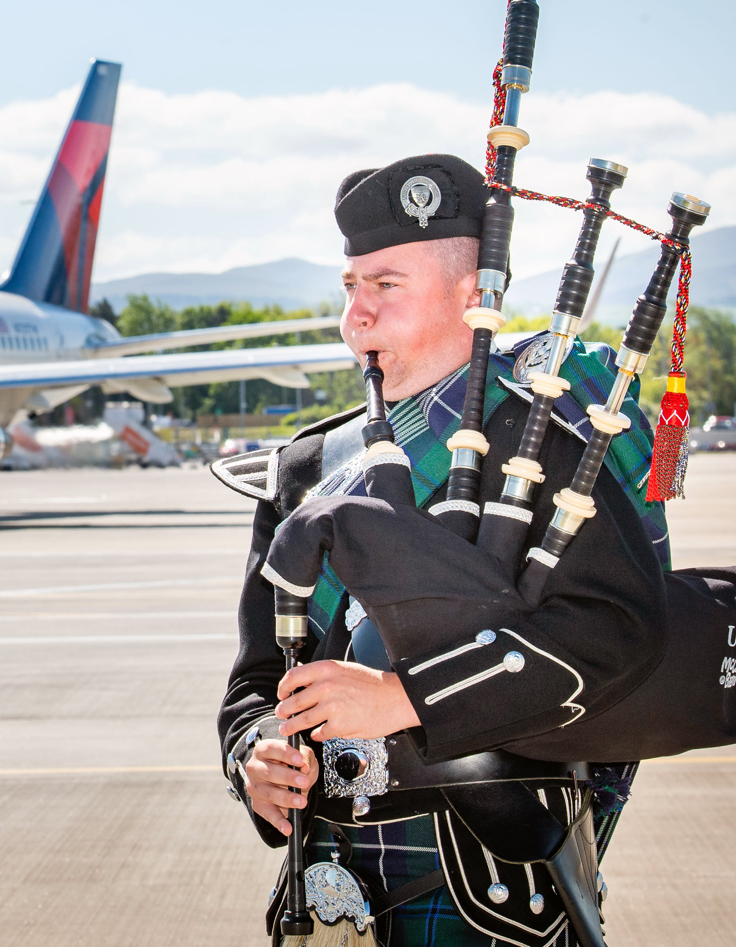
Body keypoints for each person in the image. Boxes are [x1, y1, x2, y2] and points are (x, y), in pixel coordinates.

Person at [217, 153, 669, 946]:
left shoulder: (551, 450)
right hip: (324, 893)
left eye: (386, 284)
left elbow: (617, 631)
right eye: (351, 285)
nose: (357, 313)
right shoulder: (306, 467)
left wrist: (405, 699)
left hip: (490, 888)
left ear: (474, 294)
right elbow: (257, 678)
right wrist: (255, 757)